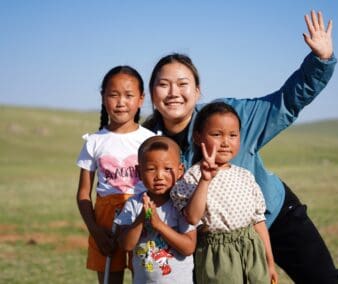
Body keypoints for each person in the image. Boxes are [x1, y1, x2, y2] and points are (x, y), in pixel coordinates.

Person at [143, 10, 338, 284]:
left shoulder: (227, 116)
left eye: (182, 84)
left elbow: (284, 102)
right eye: (163, 85)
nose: (173, 92)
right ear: (152, 93)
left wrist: (320, 60)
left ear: (198, 90)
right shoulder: (145, 142)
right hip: (214, 244)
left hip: (273, 218)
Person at [170, 102, 278, 284]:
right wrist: (205, 180)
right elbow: (192, 217)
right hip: (218, 257)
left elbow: (259, 222)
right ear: (198, 137)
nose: (226, 142)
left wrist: (270, 262)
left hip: (252, 250)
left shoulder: (245, 176)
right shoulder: (192, 178)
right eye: (217, 134)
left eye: (233, 135)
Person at [76, 65, 154, 284]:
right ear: (103, 98)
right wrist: (96, 232)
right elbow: (83, 194)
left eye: (129, 95)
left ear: (141, 99)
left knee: (147, 277)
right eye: (113, 95)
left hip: (143, 218)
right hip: (105, 223)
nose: (121, 102)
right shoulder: (94, 142)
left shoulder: (149, 140)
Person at [115, 136, 197, 283]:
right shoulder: (134, 204)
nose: (159, 176)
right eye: (151, 169)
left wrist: (158, 224)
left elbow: (189, 247)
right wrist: (141, 218)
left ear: (179, 171)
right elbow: (125, 245)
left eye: (167, 169)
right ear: (139, 171)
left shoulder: (181, 204)